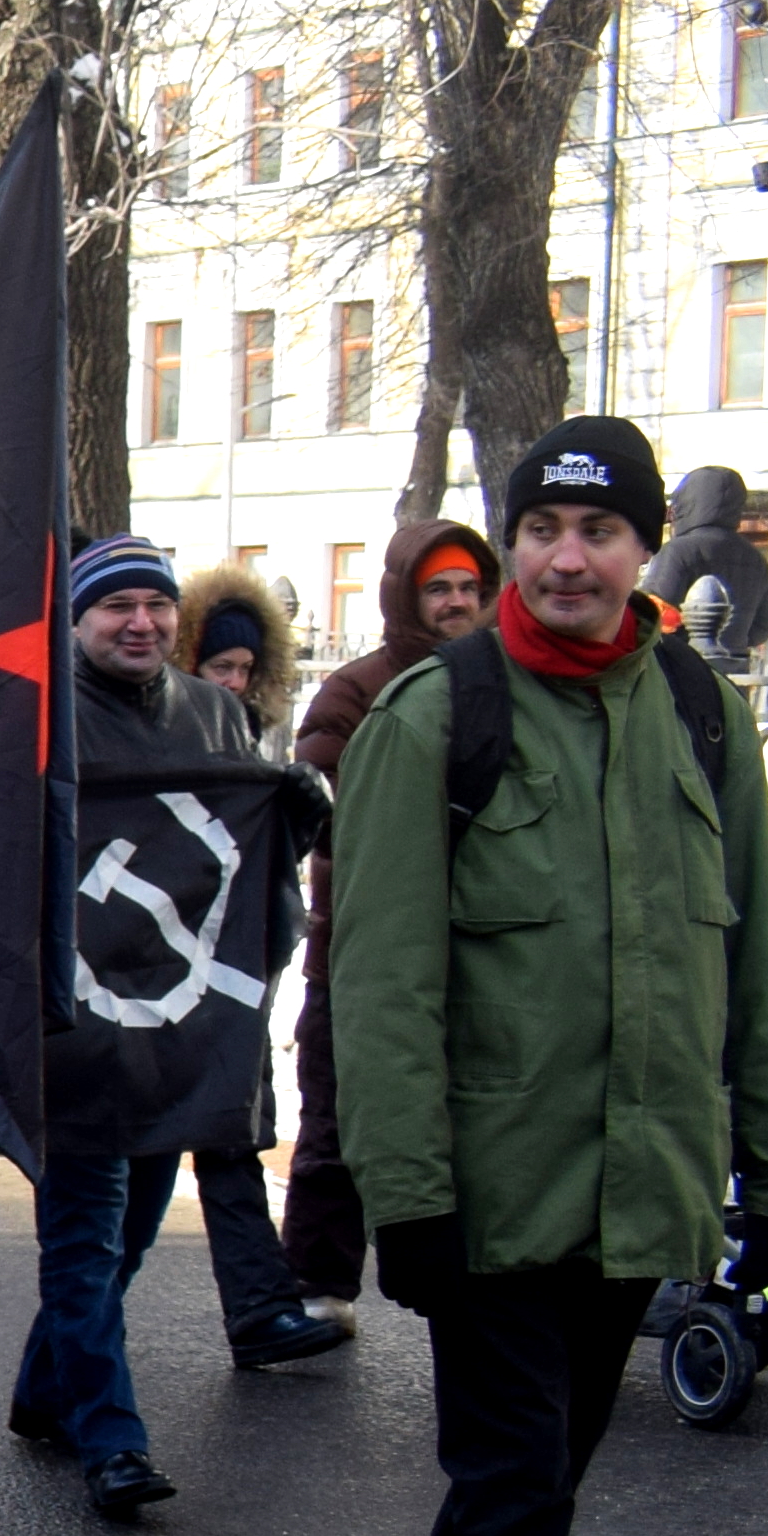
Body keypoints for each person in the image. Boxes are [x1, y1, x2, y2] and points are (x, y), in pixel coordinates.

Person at [323, 415, 768, 1536]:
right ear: (511, 540)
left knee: (526, 1497)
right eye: (542, 528)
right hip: (486, 1193)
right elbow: (384, 979)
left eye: (599, 533)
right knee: (514, 1491)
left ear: (641, 552)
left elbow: (755, 961)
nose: (567, 557)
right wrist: (399, 1193)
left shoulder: (697, 712)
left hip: (639, 1187)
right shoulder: (435, 720)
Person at [12, 536, 270, 1521]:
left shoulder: (214, 713)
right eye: (114, 606)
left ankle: (48, 1387)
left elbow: (243, 859)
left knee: (129, 1235)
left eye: (156, 606)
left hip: (178, 1025)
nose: (141, 623)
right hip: (73, 1023)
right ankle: (112, 1442)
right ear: (76, 622)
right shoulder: (38, 721)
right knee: (83, 1235)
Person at [283, 521, 495, 1292]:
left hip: (475, 943)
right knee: (338, 1123)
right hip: (357, 947)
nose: (457, 604)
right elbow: (316, 803)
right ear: (407, 597)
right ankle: (316, 1285)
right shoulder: (357, 690)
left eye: (470, 588)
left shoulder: (504, 685)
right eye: (439, 589)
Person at [176, 564, 350, 1369]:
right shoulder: (158, 736)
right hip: (151, 981)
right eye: (221, 667)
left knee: (231, 1135)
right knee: (118, 1201)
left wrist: (293, 814)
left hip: (226, 977)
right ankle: (55, 1379)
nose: (235, 682)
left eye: (247, 670)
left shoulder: (241, 741)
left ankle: (259, 1305)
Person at [652, 464, 768, 665]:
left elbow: (653, 615)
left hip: (682, 668)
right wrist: (733, 638)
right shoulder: (756, 558)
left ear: (685, 504)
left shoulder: (678, 550)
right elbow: (763, 628)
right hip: (735, 670)